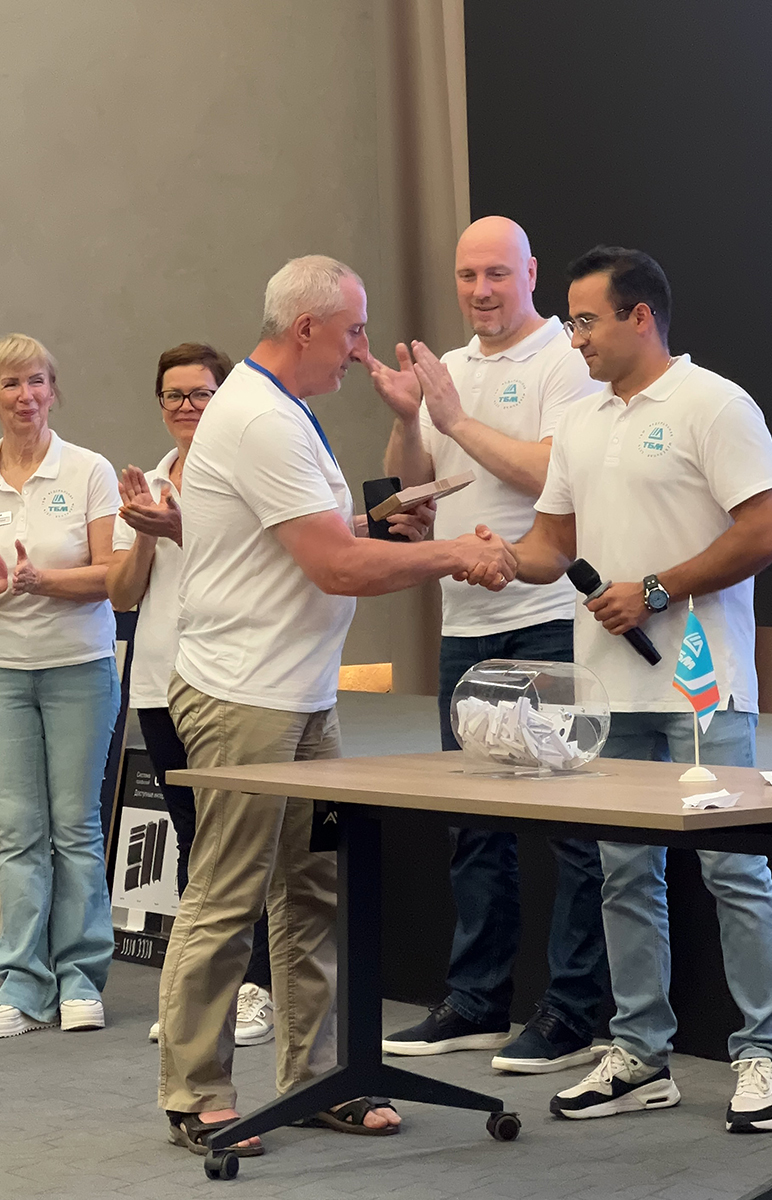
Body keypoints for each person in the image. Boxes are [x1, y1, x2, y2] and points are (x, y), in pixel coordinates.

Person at [158, 254, 516, 1157]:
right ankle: (195, 1091)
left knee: (312, 887)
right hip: (243, 694)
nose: (361, 350)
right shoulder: (259, 417)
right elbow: (334, 568)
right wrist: (450, 555)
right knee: (228, 892)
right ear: (307, 327)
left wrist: (376, 525)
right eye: (353, 331)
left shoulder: (283, 408)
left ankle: (316, 1079)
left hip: (299, 691)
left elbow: (310, 540)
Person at [506, 244, 772, 1133]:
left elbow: (767, 531)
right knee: (623, 874)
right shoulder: (580, 422)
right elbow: (551, 545)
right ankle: (639, 1053)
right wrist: (485, 557)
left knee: (734, 868)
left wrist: (659, 590)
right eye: (568, 322)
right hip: (608, 689)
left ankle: (763, 1056)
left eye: (586, 320)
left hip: (703, 684)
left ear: (641, 317)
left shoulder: (715, 404)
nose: (573, 338)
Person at [372, 216, 611, 1075]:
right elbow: (415, 486)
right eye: (468, 274)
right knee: (473, 824)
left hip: (547, 614)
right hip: (465, 622)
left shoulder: (563, 359)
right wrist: (411, 421)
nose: (480, 291)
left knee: (573, 828)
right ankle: (476, 1002)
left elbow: (555, 473)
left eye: (497, 274)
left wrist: (455, 418)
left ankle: (574, 1012)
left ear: (531, 273)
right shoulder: (448, 368)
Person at [107, 343, 276, 1048]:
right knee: (190, 836)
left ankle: (257, 987)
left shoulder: (238, 473)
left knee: (236, 838)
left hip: (228, 680)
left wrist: (175, 524)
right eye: (173, 395)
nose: (186, 406)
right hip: (159, 682)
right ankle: (205, 992)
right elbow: (122, 594)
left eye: (200, 393)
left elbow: (258, 558)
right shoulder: (148, 482)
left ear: (223, 397)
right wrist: (146, 533)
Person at [0, 334, 121, 1038]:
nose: (26, 397)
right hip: (5, 674)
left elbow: (113, 576)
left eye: (37, 382)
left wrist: (40, 580)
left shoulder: (88, 470)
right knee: (17, 831)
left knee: (75, 827)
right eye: (11, 384)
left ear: (54, 390)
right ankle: (21, 982)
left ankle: (79, 977)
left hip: (79, 667)